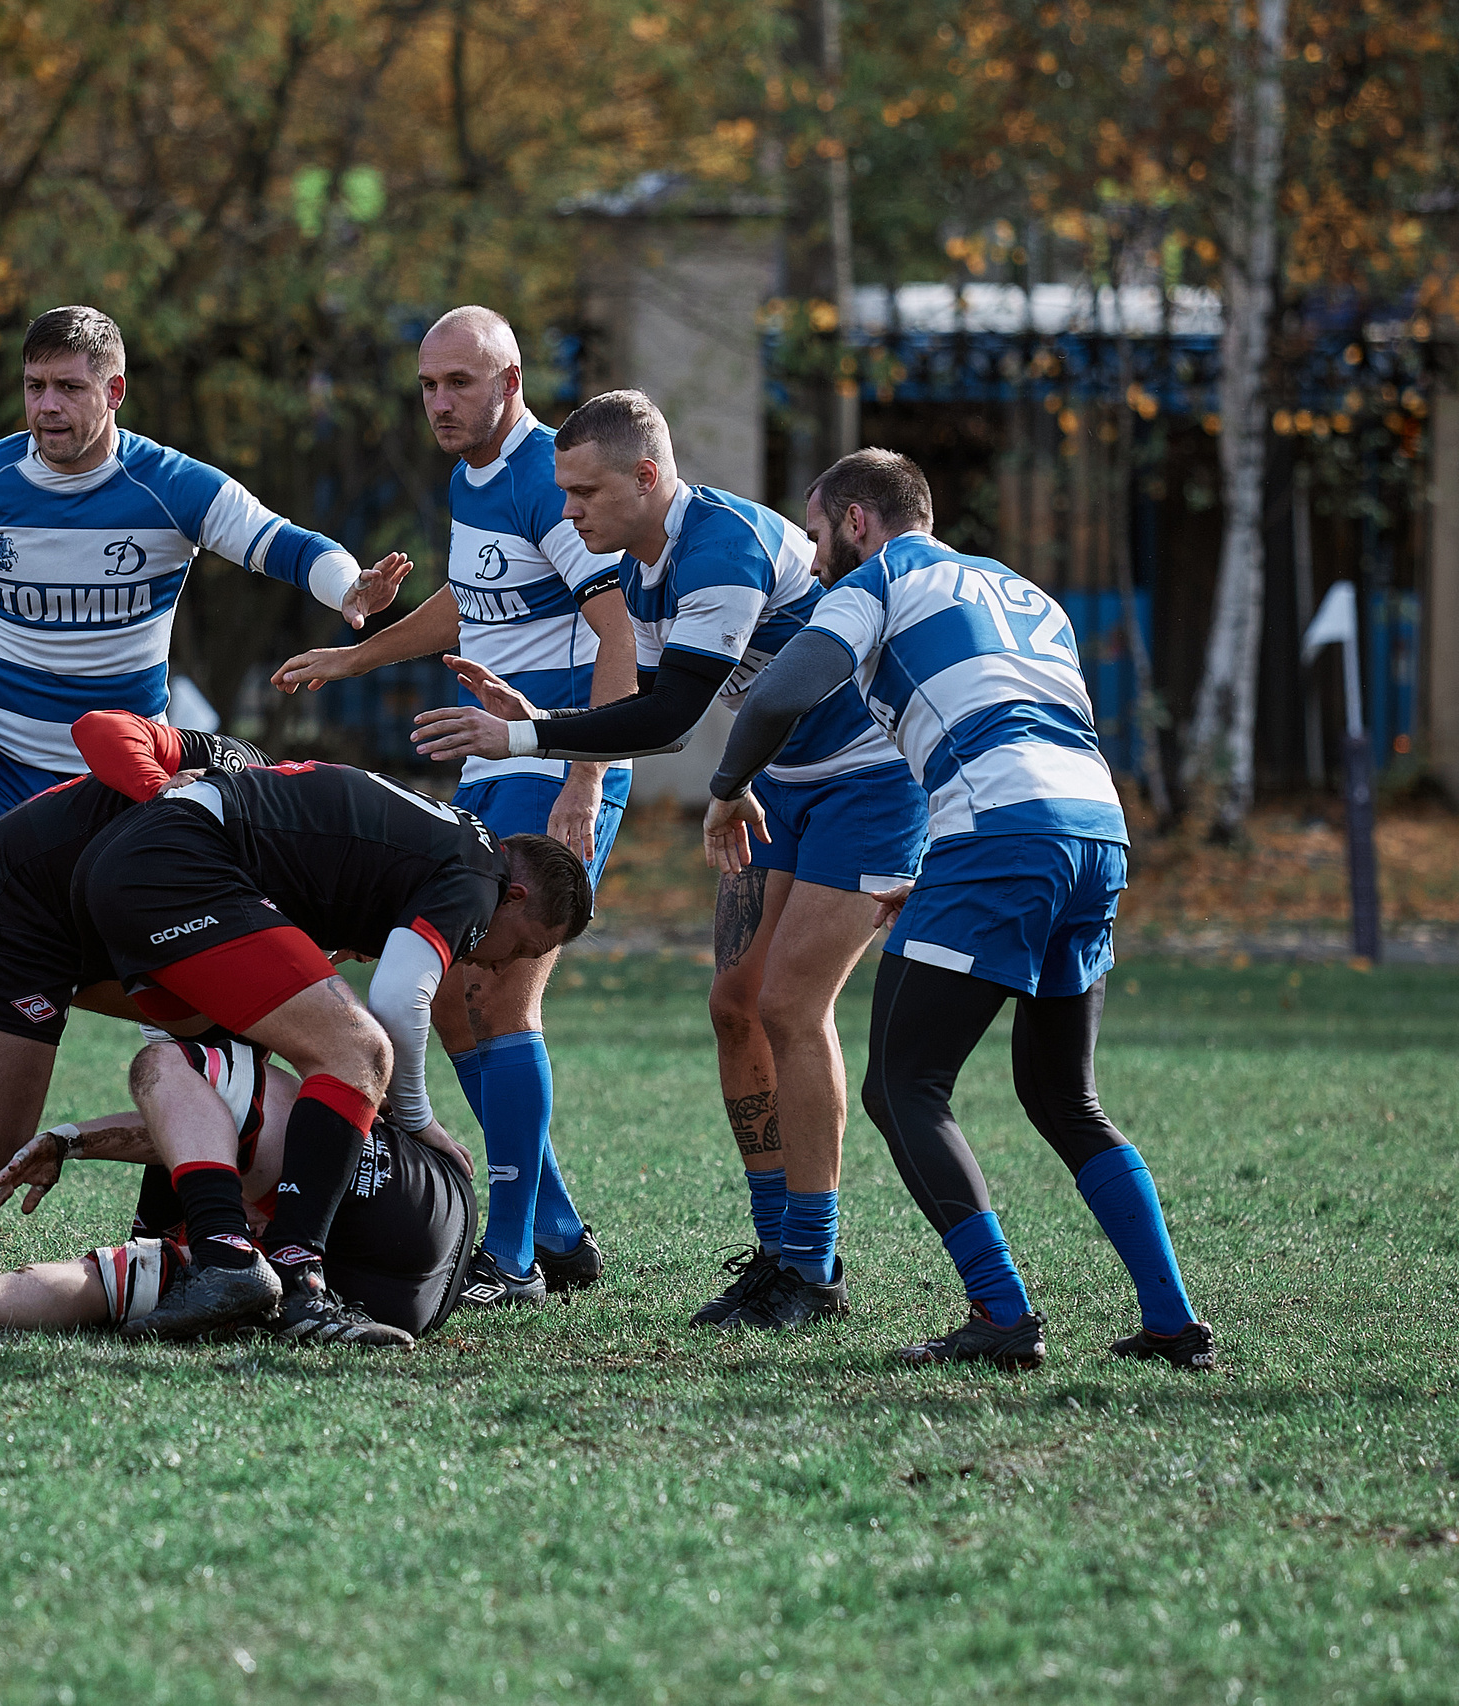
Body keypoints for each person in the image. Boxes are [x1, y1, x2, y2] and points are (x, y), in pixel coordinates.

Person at [0, 304, 410, 1272]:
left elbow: (282, 542)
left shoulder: (169, 484)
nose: (46, 406)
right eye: (34, 386)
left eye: (68, 387)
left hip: (121, 788)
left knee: (194, 992)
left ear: (115, 390)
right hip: (0, 779)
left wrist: (346, 590)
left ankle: (183, 1201)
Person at [411, 390, 928, 1331]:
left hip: (870, 784)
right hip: (779, 787)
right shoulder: (642, 566)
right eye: (563, 493)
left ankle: (812, 1266)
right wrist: (540, 716)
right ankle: (777, 1252)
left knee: (787, 1007)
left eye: (585, 493)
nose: (569, 512)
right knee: (735, 1007)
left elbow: (671, 718)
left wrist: (525, 738)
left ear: (647, 478)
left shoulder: (719, 546)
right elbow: (644, 707)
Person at [700, 449, 1213, 1370]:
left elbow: (780, 690)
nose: (812, 559)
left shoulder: (880, 579)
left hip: (999, 838)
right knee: (1065, 1097)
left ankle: (1001, 1313)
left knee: (904, 1087)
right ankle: (1173, 1324)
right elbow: (1019, 722)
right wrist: (960, 866)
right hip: (1094, 831)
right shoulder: (1025, 592)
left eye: (816, 534)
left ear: (857, 521)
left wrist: (729, 787)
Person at [269, 307, 636, 1308]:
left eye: (460, 383)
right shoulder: (470, 476)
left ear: (510, 382)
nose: (440, 401)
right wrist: (356, 654)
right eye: (429, 384)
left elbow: (620, 638)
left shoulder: (550, 479)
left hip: (555, 762)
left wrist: (584, 776)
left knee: (498, 1000)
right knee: (451, 1004)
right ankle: (553, 1230)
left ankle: (512, 1256)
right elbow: (469, 598)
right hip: (492, 763)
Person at [71, 755, 594, 1344]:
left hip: (133, 857)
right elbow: (398, 998)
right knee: (359, 1052)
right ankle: (298, 1280)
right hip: (180, 861)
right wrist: (417, 1118)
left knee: (224, 1066)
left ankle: (171, 1247)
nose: (499, 966)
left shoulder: (449, 844)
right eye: (521, 948)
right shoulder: (480, 878)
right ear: (514, 896)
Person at [0, 1035, 477, 1343]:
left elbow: (198, 1114)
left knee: (171, 1063)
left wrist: (72, 1138)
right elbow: (195, 1130)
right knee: (121, 1280)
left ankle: (237, 1258)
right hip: (405, 1287)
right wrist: (70, 1141)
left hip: (397, 1211)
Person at [0, 712, 269, 1223]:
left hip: (90, 920)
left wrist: (72, 1140)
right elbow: (99, 728)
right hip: (11, 907)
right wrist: (160, 791)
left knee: (233, 1041)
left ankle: (170, 1234)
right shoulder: (242, 772)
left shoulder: (303, 861)